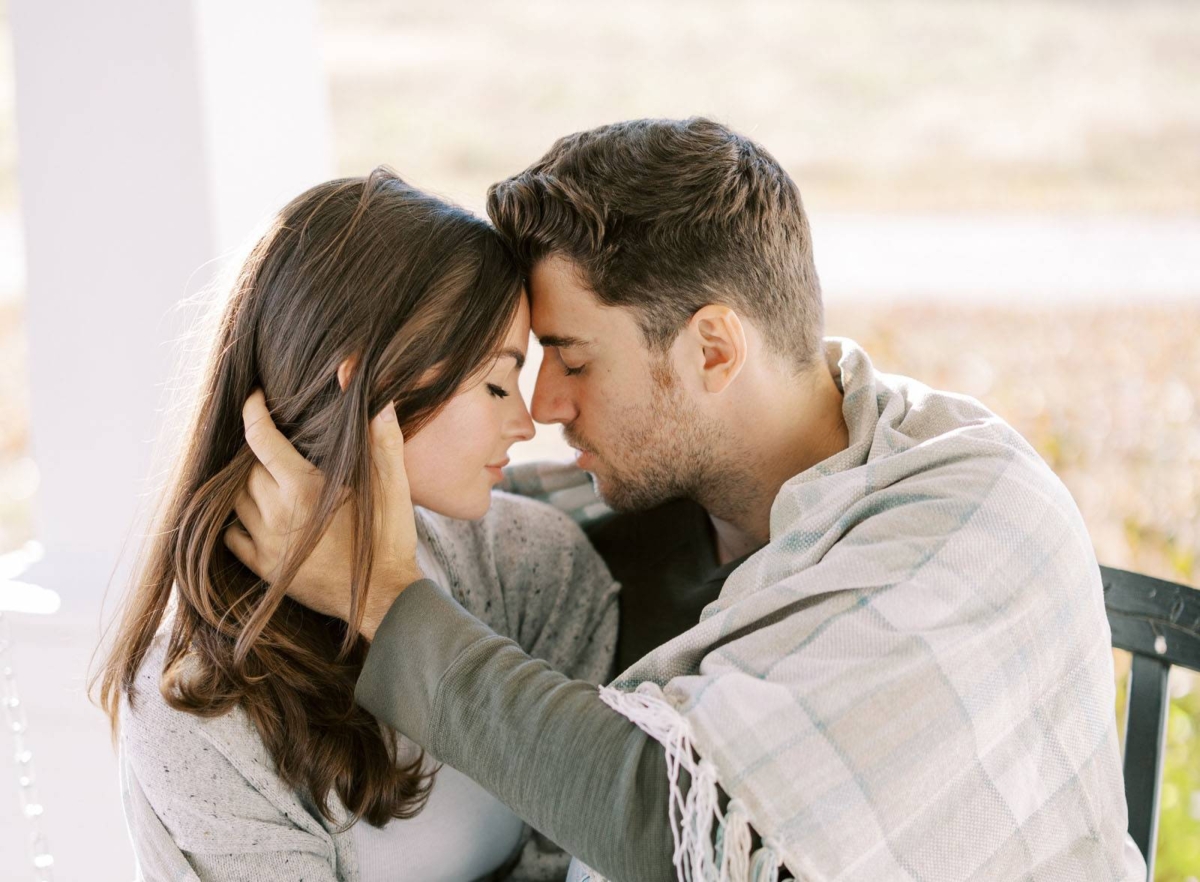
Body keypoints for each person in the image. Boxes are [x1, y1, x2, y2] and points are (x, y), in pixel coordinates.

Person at [228, 118, 1147, 882]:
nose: (546, 405)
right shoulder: (669, 520)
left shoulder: (964, 523)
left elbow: (684, 832)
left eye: (575, 359)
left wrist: (385, 600)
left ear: (712, 349)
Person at [94, 168, 620, 881]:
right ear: (368, 388)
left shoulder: (538, 570)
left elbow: (591, 840)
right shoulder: (195, 708)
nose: (526, 423)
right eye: (498, 383)